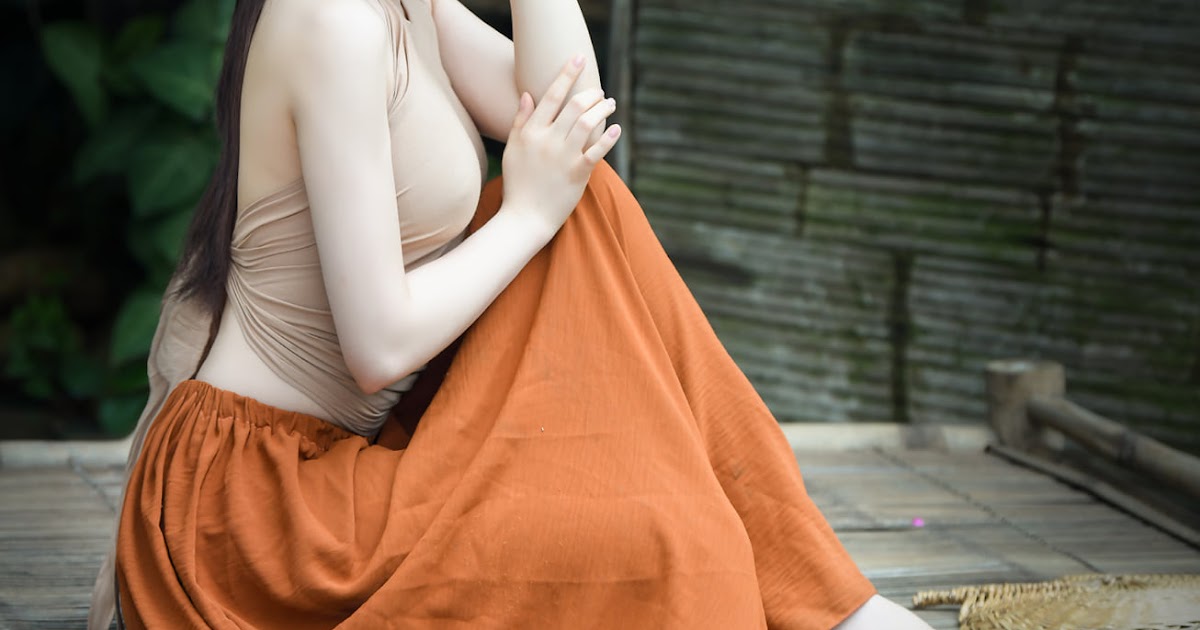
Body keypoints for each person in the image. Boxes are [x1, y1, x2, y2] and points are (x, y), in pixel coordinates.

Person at [88, 0, 934, 627]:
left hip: (361, 460)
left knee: (586, 206)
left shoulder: (412, 6)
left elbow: (576, 125)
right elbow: (377, 347)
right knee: (668, 549)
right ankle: (820, 602)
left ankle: (826, 601)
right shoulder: (330, 21)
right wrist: (525, 213)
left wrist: (541, 201)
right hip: (264, 515)